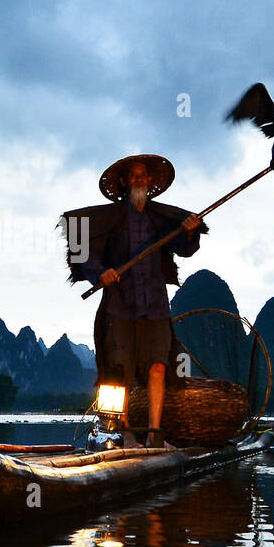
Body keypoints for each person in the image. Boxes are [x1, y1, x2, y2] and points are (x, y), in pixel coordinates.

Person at [62, 154, 206, 448]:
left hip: (155, 305)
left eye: (144, 175)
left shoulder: (162, 219)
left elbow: (184, 248)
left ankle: (155, 435)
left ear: (150, 182)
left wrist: (190, 232)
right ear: (125, 182)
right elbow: (78, 242)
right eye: (134, 175)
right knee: (119, 370)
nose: (139, 180)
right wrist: (100, 273)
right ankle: (124, 434)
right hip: (120, 305)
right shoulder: (109, 219)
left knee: (158, 367)